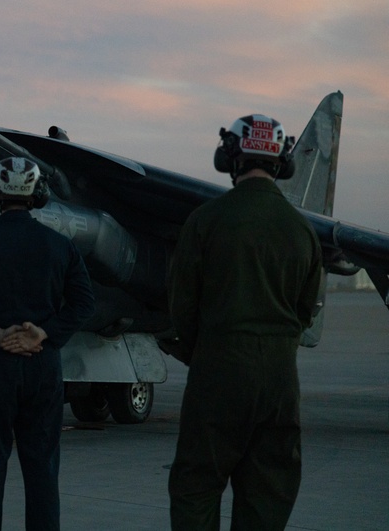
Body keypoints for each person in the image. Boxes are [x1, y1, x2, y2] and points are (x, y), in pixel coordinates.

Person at [167, 113, 324, 530]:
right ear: (281, 162)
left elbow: (181, 306)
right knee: (267, 495)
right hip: (278, 378)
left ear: (231, 157)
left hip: (217, 371)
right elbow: (307, 309)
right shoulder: (302, 229)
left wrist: (201, 352)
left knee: (197, 485)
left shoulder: (204, 220)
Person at [0, 157, 95, 531]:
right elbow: (84, 303)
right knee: (42, 468)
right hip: (43, 366)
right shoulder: (60, 245)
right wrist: (44, 333)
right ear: (38, 194)